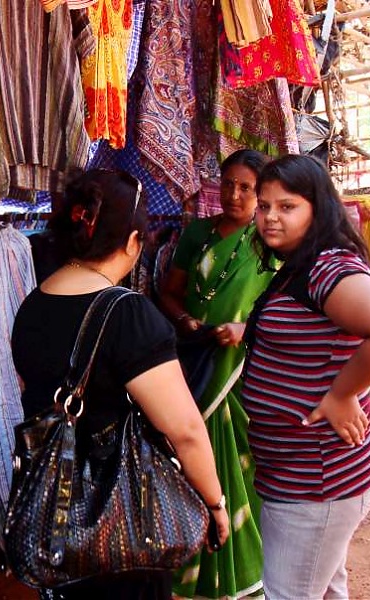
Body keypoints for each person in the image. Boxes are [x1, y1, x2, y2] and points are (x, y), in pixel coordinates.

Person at [10, 169, 229, 600]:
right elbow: (184, 429)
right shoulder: (128, 315)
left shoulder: (32, 306)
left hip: (54, 514)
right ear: (132, 242)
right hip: (123, 516)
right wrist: (215, 503)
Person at [243, 154, 370, 600]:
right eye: (264, 206)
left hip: (319, 477)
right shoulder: (301, 266)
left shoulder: (326, 268)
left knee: (290, 592)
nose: (269, 218)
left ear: (317, 209)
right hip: (305, 473)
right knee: (323, 586)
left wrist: (343, 394)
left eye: (287, 207)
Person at [158, 149, 272, 599]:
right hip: (197, 365)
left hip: (242, 375)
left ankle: (248, 571)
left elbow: (281, 311)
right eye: (228, 184)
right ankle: (196, 574)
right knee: (190, 458)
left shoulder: (268, 240)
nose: (234, 195)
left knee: (243, 467)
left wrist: (245, 329)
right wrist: (184, 319)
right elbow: (169, 294)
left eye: (246, 187)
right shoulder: (198, 234)